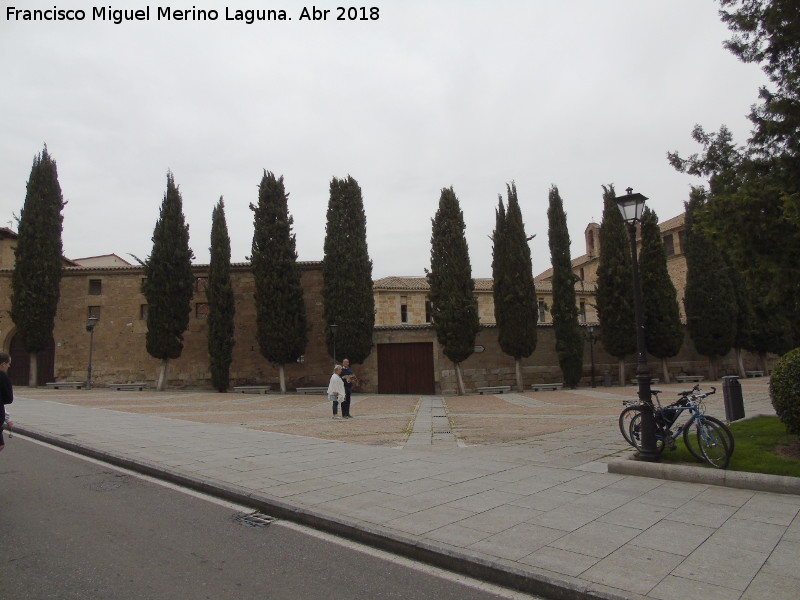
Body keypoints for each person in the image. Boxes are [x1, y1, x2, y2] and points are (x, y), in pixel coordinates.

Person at [0, 352, 13, 452]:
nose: (8, 366)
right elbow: (8, 399)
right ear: (3, 364)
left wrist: (7, 419)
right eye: (8, 364)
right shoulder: (3, 377)